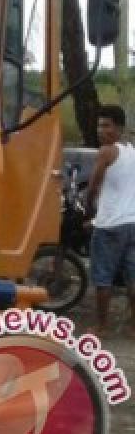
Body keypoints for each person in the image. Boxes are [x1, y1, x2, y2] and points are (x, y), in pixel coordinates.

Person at [84, 104, 135, 336]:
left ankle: (102, 327)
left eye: (106, 125)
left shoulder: (106, 151)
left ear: (119, 128)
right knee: (132, 276)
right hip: (132, 223)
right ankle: (133, 326)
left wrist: (89, 211)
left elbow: (93, 185)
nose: (100, 130)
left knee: (103, 278)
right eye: (98, 125)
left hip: (109, 224)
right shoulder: (132, 152)